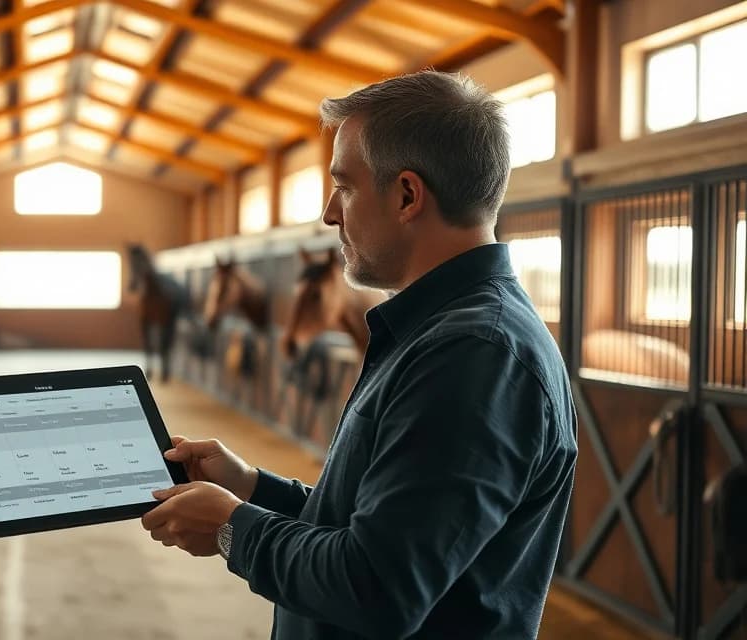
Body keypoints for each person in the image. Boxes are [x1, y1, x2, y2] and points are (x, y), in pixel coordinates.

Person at [141, 71, 578, 639]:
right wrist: (252, 486)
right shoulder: (439, 333)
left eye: (343, 186)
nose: (329, 213)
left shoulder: (472, 354)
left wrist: (233, 527)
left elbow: (377, 586)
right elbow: (373, 525)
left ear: (406, 195)